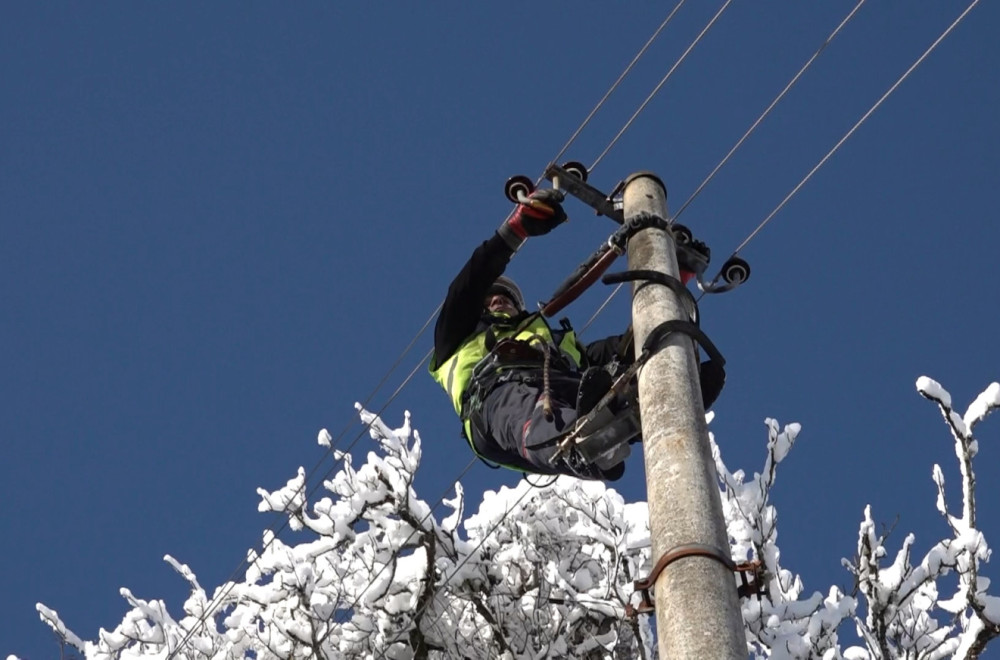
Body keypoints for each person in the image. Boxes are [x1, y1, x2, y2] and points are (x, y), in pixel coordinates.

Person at [429, 188, 722, 481]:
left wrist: (672, 275)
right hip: (494, 398)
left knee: (613, 374)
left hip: (565, 386)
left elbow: (628, 344)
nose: (497, 301)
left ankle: (659, 395)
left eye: (505, 297)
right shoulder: (458, 335)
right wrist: (516, 230)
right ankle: (584, 444)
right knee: (528, 406)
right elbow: (468, 285)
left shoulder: (560, 347)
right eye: (490, 300)